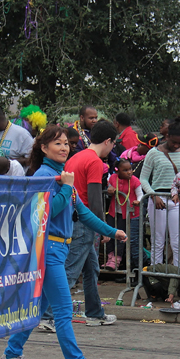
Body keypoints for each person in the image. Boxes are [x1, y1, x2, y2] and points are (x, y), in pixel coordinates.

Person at [0, 125, 125, 359]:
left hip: (59, 249)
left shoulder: (61, 174)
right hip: (50, 250)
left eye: (66, 143)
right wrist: (66, 188)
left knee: (37, 309)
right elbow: (47, 211)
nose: (65, 147)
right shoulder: (44, 176)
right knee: (64, 311)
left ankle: (10, 356)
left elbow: (83, 213)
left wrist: (111, 231)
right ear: (44, 148)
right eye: (58, 143)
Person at [64, 120, 119, 326]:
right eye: (113, 144)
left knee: (91, 268)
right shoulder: (95, 162)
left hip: (74, 219)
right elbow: (95, 200)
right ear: (107, 141)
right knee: (71, 271)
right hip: (85, 223)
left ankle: (95, 312)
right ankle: (49, 315)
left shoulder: (75, 157)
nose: (112, 148)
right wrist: (103, 228)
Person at [140, 118, 180, 269]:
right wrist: (153, 195)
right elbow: (143, 178)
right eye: (173, 142)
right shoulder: (153, 153)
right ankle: (156, 273)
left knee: (178, 241)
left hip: (177, 199)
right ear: (167, 136)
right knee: (157, 241)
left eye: (179, 143)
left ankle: (179, 274)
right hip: (157, 198)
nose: (176, 146)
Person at [104, 158, 142, 273]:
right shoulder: (113, 178)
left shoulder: (135, 181)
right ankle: (110, 257)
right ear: (117, 171)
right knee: (110, 233)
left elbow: (140, 194)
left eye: (130, 169)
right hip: (114, 212)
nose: (129, 172)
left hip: (128, 214)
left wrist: (138, 201)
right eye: (125, 170)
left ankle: (117, 259)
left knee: (121, 236)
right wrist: (109, 189)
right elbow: (108, 189)